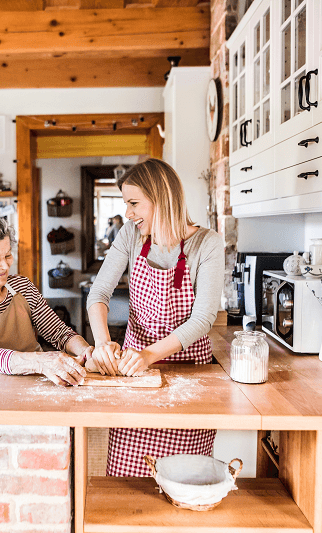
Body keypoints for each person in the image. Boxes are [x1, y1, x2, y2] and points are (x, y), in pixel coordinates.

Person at [86, 158, 225, 477]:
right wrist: (104, 343)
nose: (129, 213)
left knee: (182, 475)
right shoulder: (130, 236)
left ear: (161, 197)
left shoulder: (206, 244)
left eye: (134, 203)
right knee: (126, 477)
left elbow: (203, 319)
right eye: (126, 204)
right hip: (136, 377)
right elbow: (98, 294)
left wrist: (148, 356)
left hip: (188, 374)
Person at [0, 214, 92, 386]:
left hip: (33, 387)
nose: (5, 266)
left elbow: (59, 332)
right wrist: (41, 361)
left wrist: (86, 351)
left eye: (7, 256)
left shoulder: (22, 286)